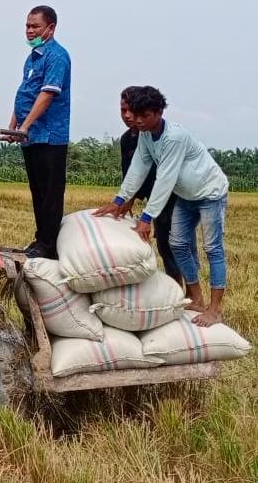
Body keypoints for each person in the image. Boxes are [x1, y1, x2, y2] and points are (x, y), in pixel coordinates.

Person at [93, 86, 228, 326]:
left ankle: (215, 309)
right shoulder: (145, 135)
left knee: (213, 249)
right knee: (177, 244)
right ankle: (196, 299)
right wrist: (119, 200)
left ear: (159, 113)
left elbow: (165, 178)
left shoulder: (174, 138)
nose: (138, 120)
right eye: (136, 115)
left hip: (210, 194)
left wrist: (146, 218)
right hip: (186, 196)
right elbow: (138, 167)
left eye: (144, 116)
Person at [10, 5, 71, 260]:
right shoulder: (32, 57)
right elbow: (25, 93)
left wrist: (25, 126)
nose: (30, 30)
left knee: (50, 193)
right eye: (27, 26)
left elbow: (47, 94)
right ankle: (40, 239)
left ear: (51, 28)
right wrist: (13, 125)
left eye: (35, 26)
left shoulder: (57, 56)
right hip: (31, 136)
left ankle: (49, 244)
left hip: (50, 136)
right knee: (37, 190)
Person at [118, 86, 180, 283]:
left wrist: (145, 213)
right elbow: (131, 173)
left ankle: (181, 288)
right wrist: (124, 199)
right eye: (123, 110)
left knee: (171, 244)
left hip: (169, 197)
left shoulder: (162, 137)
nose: (128, 116)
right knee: (159, 244)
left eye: (131, 110)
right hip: (150, 198)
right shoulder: (127, 140)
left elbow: (162, 176)